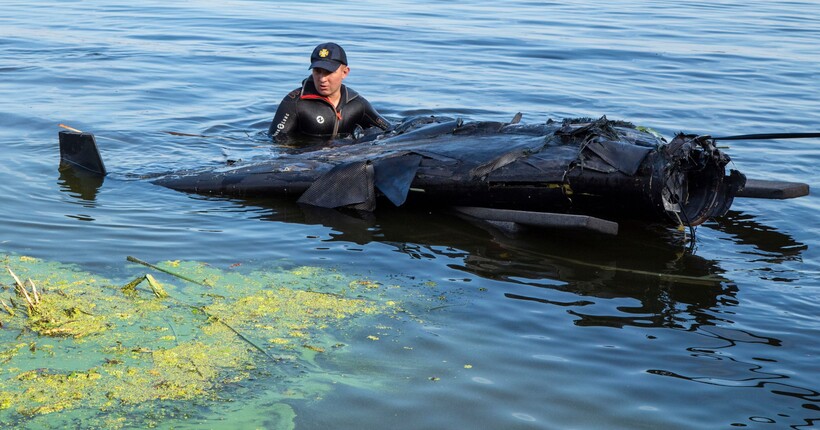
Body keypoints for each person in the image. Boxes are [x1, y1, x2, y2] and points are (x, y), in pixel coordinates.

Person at [268, 42, 391, 143]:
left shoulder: (357, 104)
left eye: (328, 72)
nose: (322, 79)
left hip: (345, 158)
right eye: (317, 71)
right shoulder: (294, 102)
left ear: (345, 72)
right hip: (307, 161)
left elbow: (390, 131)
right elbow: (276, 141)